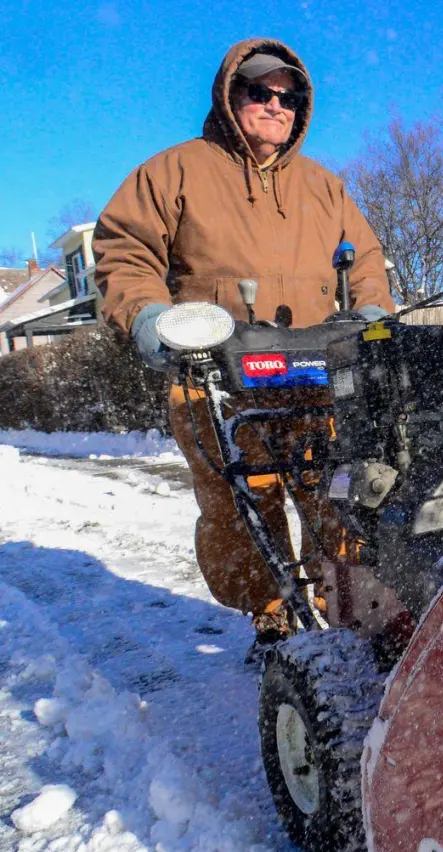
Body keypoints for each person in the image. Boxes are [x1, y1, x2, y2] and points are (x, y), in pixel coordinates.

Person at [94, 39, 394, 652]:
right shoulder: (175, 171)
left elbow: (364, 259)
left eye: (288, 97)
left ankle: (339, 604)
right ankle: (274, 617)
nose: (274, 105)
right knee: (243, 505)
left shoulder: (323, 186)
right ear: (231, 96)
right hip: (215, 375)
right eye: (259, 91)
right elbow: (124, 253)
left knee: (338, 489)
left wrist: (369, 313)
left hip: (314, 368)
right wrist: (150, 317)